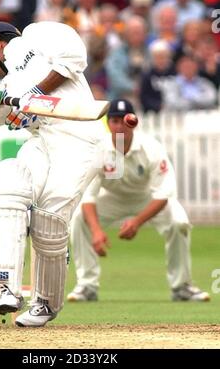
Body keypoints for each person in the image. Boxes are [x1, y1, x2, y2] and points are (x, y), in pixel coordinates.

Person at [0, 21, 106, 327]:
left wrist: (34, 93)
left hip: (81, 139)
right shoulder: (7, 85)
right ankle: (5, 286)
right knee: (8, 181)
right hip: (43, 141)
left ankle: (45, 302)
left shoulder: (37, 35)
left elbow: (74, 58)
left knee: (49, 219)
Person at [67, 98, 210, 303]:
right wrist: (97, 231)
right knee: (80, 218)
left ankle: (182, 286)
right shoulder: (100, 150)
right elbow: (89, 196)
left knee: (179, 222)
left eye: (124, 120)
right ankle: (87, 285)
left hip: (147, 199)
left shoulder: (150, 148)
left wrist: (136, 222)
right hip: (113, 199)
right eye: (114, 121)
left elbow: (164, 193)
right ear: (108, 124)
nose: (119, 126)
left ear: (133, 122)